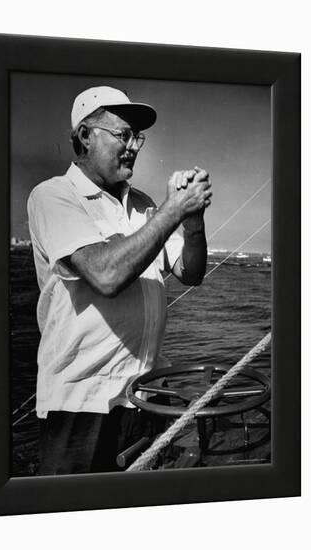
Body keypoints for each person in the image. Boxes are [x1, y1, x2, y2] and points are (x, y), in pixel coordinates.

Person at [27, 86, 212, 475]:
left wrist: (192, 223)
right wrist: (172, 211)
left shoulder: (145, 205)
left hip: (144, 396)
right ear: (84, 136)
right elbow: (105, 275)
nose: (133, 147)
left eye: (137, 138)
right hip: (81, 403)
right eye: (122, 135)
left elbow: (190, 274)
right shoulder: (54, 196)